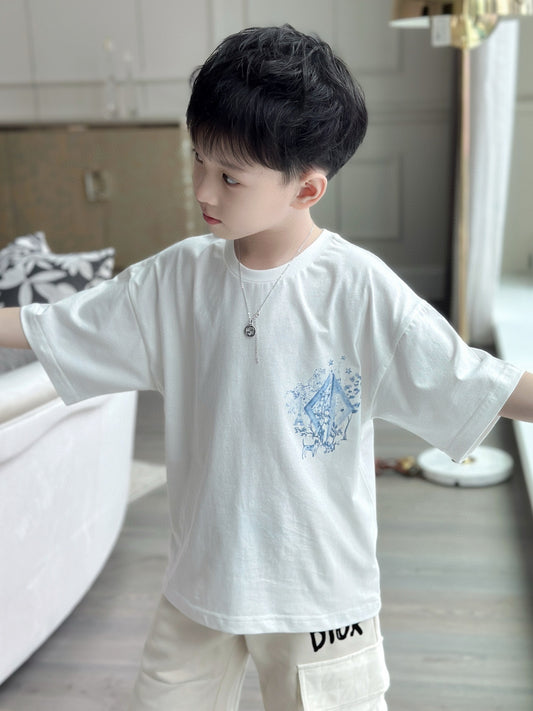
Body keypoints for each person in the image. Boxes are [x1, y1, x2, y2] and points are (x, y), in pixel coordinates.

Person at [1, 24, 532, 711]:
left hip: (319, 595)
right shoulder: (175, 279)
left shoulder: (358, 289)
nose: (203, 189)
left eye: (229, 176)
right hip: (200, 584)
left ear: (306, 189)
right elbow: (51, 328)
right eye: (198, 159)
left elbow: (473, 379)